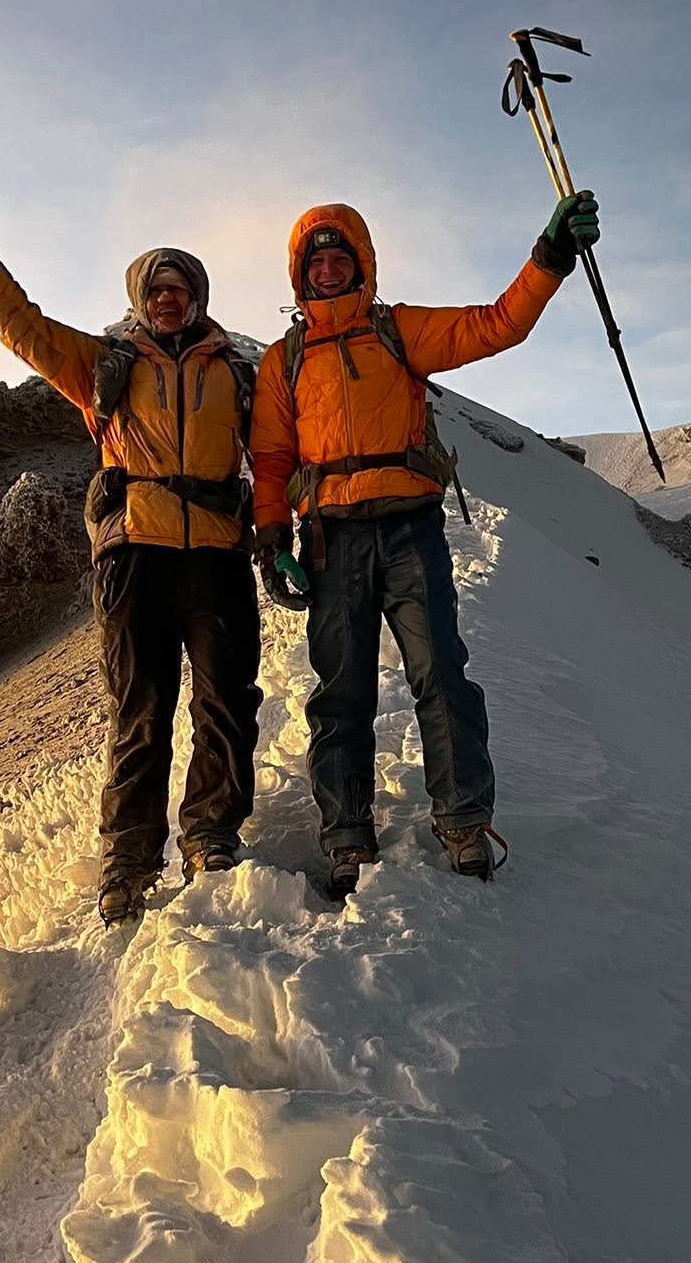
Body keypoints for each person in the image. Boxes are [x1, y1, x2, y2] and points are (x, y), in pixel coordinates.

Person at [248, 189, 601, 902]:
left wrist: (549, 258)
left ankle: (464, 821)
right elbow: (273, 457)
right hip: (328, 538)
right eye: (314, 260)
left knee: (440, 671)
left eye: (338, 255)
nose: (326, 268)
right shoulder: (285, 362)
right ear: (298, 275)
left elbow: (496, 326)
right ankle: (346, 835)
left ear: (362, 265)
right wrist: (269, 539)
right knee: (340, 692)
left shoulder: (396, 331)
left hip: (410, 527)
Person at [0, 192, 262, 927]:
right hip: (135, 552)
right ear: (140, 301)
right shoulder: (104, 365)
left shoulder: (237, 372)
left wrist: (280, 535)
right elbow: (24, 329)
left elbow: (272, 455)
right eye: (156, 291)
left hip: (216, 551)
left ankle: (209, 832)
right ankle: (129, 861)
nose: (168, 300)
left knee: (227, 703)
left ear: (198, 298)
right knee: (142, 712)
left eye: (179, 290)